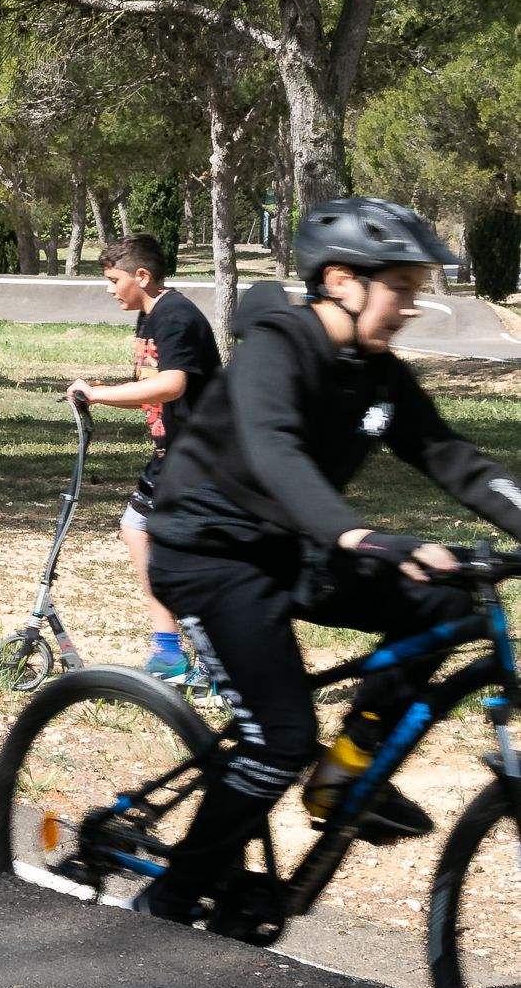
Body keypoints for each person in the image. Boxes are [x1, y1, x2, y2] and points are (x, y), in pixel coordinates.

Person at [134, 197, 521, 924]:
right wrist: (357, 535)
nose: (411, 306)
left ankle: (342, 778)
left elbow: (452, 458)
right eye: (401, 288)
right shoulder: (276, 351)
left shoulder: (377, 374)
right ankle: (167, 901)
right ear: (342, 280)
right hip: (210, 556)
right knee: (279, 738)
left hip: (294, 549)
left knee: (444, 602)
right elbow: (278, 456)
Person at [66, 234, 220, 686]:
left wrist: (98, 393)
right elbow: (151, 387)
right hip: (170, 454)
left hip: (200, 456)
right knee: (137, 530)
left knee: (184, 558)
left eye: (114, 280)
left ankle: (217, 668)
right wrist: (98, 394)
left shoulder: (175, 316)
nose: (109, 289)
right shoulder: (149, 316)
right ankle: (169, 652)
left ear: (142, 276)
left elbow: (172, 384)